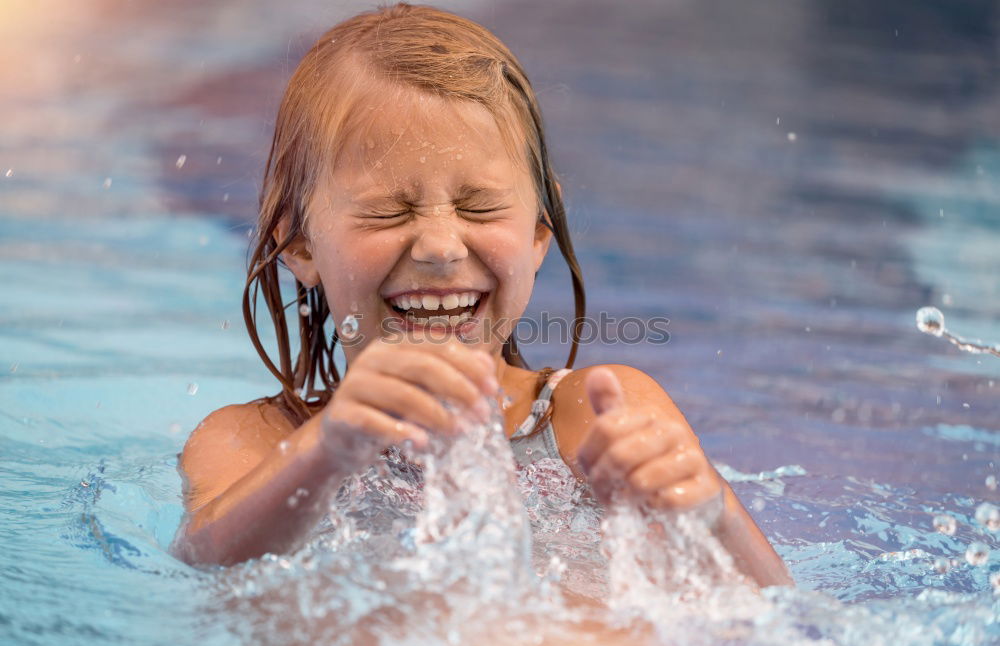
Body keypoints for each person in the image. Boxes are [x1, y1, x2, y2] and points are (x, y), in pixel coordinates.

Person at [170, 2, 792, 590]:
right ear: (302, 247)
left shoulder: (589, 416)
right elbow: (201, 563)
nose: (440, 246)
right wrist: (328, 448)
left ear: (537, 235)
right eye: (388, 211)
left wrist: (710, 512)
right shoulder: (253, 441)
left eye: (480, 207)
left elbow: (777, 612)